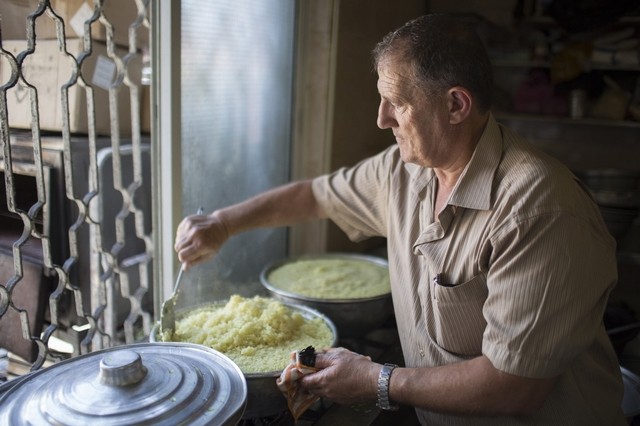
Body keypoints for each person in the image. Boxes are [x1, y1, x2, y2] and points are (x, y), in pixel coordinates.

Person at [174, 14, 626, 425]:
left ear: (455, 105)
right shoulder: (404, 170)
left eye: (397, 102)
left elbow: (515, 387)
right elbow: (314, 196)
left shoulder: (539, 209)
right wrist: (222, 224)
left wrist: (377, 381)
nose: (381, 118)